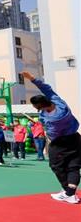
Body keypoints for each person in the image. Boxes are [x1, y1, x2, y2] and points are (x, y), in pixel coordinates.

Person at [22, 71, 80, 204]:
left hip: (60, 141)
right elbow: (47, 89)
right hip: (75, 138)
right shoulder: (59, 103)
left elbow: (53, 133)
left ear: (39, 106)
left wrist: (49, 137)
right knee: (73, 166)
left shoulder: (52, 119)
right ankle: (70, 193)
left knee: (56, 165)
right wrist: (32, 79)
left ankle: (68, 192)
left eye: (35, 106)